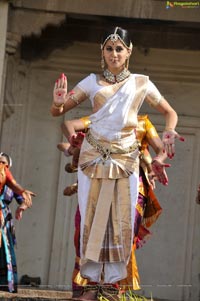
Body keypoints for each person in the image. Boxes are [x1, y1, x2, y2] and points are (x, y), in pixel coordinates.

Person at [50, 26, 184, 301]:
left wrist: (169, 131)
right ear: (102, 51)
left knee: (123, 221)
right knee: (90, 218)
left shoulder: (141, 83)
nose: (114, 54)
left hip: (127, 159)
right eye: (109, 49)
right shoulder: (91, 82)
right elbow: (59, 113)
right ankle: (89, 283)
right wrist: (57, 102)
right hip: (92, 158)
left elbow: (169, 112)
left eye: (119, 48)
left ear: (129, 51)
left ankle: (112, 285)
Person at [58, 114, 169, 296]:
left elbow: (161, 148)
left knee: (123, 235)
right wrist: (73, 140)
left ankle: (113, 289)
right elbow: (68, 124)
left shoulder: (143, 122)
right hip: (98, 181)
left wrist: (158, 159)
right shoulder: (99, 118)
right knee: (86, 231)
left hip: (132, 185)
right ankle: (88, 287)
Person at [0, 152, 35, 293]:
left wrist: (22, 207)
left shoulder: (9, 182)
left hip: (4, 220)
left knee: (5, 250)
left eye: (4, 163)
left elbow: (24, 199)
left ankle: (5, 284)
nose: (2, 165)